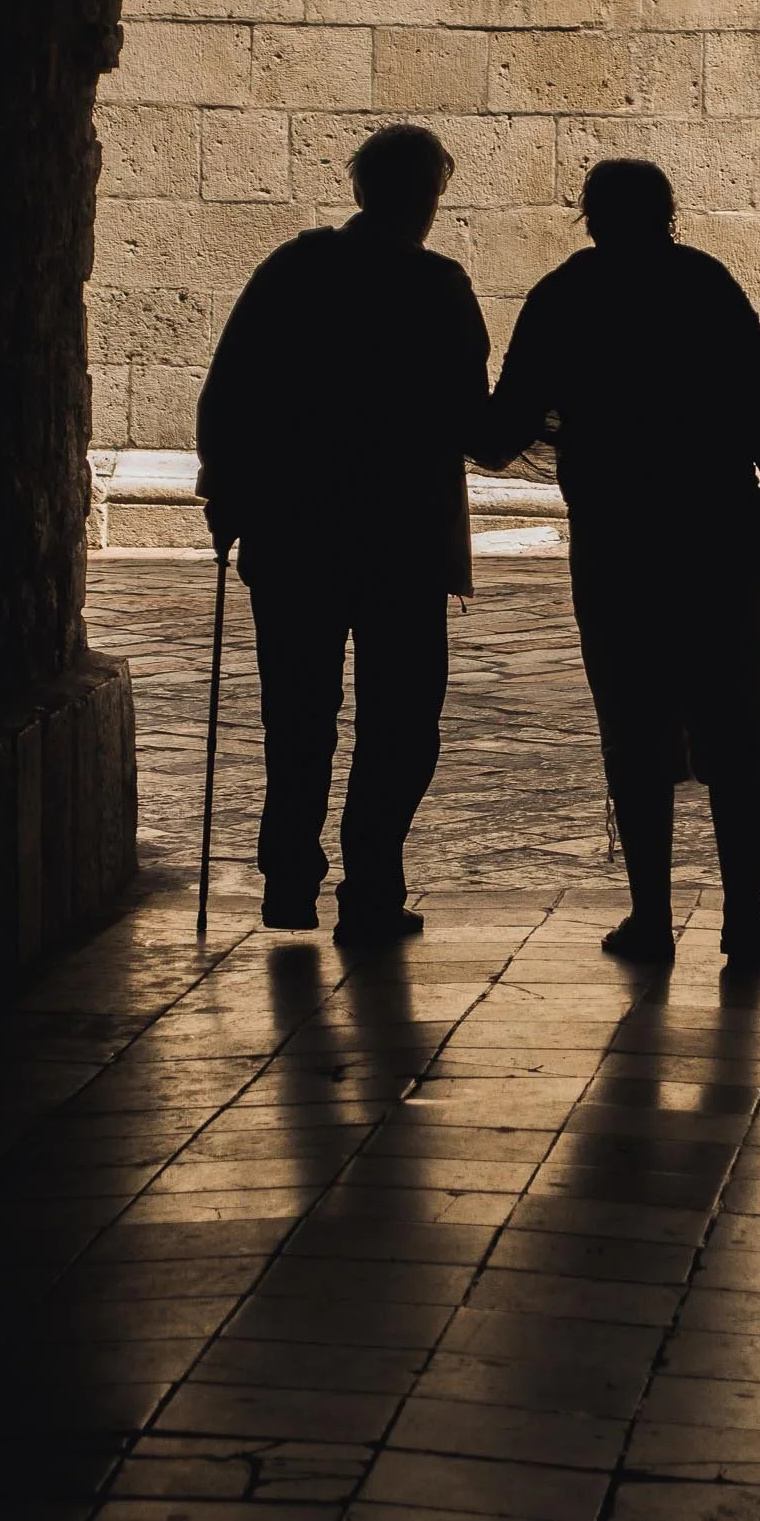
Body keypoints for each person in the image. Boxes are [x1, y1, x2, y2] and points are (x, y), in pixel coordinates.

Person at [473, 159, 760, 970]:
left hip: (619, 541)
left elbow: (500, 429)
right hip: (717, 535)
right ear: (669, 211)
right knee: (734, 724)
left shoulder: (565, 295)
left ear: (590, 215)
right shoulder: (708, 284)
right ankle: (745, 920)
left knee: (633, 721)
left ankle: (652, 918)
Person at [195, 124, 488, 944]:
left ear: (360, 191)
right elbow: (472, 413)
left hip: (294, 534)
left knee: (296, 714)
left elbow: (229, 390)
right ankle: (370, 888)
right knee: (400, 718)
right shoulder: (436, 286)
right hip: (399, 535)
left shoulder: (292, 270)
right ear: (428, 198)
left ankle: (289, 882)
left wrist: (227, 494)